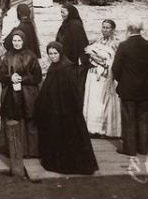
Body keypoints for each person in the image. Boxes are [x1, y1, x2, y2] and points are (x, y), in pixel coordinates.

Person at [34, 42, 99, 175]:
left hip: (65, 111)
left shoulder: (66, 67)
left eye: (55, 53)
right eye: (50, 54)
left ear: (60, 53)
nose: (53, 56)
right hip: (55, 109)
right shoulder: (55, 66)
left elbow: (71, 91)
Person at [0, 29, 42, 159]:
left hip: (27, 93)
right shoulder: (8, 55)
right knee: (12, 118)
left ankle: (29, 150)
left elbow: (37, 77)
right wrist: (10, 77)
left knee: (28, 119)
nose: (16, 43)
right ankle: (11, 149)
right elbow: (1, 74)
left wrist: (22, 79)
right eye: (14, 41)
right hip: (11, 92)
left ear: (24, 41)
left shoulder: (31, 56)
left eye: (19, 40)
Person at [112, 21, 148, 156]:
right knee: (143, 119)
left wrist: (123, 80)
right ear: (141, 28)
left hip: (129, 88)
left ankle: (129, 149)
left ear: (129, 28)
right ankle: (143, 148)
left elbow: (116, 68)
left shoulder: (124, 46)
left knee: (128, 119)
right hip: (145, 87)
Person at [83, 19, 122, 138]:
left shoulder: (115, 43)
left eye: (107, 28)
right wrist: (94, 57)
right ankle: (93, 128)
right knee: (94, 101)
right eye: (103, 27)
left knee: (103, 101)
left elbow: (114, 60)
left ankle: (105, 129)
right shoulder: (97, 41)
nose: (105, 30)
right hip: (94, 73)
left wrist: (102, 61)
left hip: (106, 74)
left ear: (113, 29)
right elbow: (88, 53)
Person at [55, 3, 89, 97]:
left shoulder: (75, 25)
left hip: (72, 58)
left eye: (64, 12)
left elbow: (82, 43)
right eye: (61, 12)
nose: (62, 14)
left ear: (70, 12)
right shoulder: (65, 24)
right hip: (64, 56)